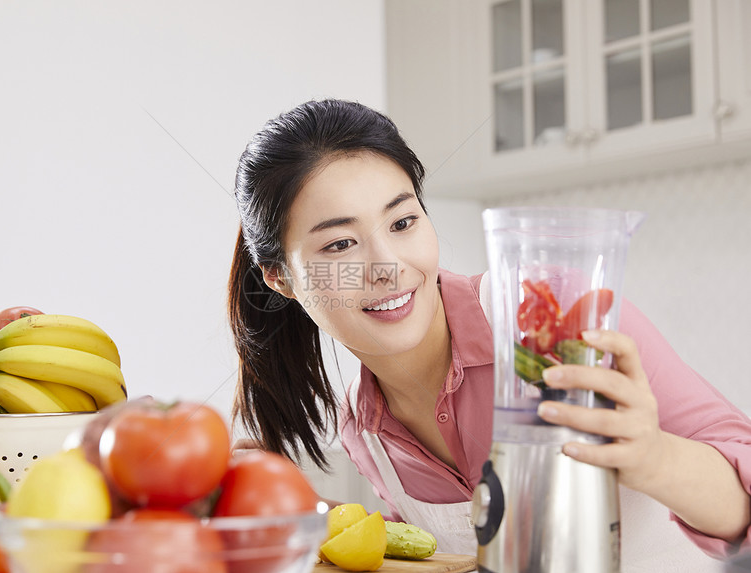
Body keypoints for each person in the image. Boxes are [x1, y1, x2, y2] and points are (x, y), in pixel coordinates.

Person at [226, 99, 751, 563]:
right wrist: (305, 511)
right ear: (281, 279)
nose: (387, 266)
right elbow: (440, 558)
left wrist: (653, 457)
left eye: (403, 222)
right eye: (339, 244)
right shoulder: (366, 433)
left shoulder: (555, 317)